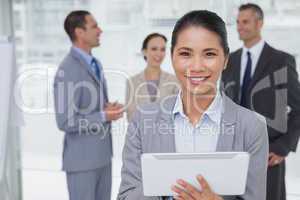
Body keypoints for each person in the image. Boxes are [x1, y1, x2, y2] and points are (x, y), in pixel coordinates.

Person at [118, 10, 268, 200]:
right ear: (172, 57)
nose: (196, 67)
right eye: (185, 54)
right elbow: (125, 196)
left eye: (209, 54)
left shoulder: (252, 126)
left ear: (226, 60)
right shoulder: (142, 119)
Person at [222, 3, 300, 200]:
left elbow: (298, 108)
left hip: (268, 154)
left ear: (260, 23)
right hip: (233, 153)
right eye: (238, 22)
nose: (240, 26)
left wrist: (283, 146)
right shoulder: (229, 61)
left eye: (245, 21)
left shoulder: (280, 60)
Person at [53, 10, 124, 200]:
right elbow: (65, 121)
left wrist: (107, 108)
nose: (100, 30)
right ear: (79, 32)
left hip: (103, 158)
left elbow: (93, 106)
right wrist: (103, 116)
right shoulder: (67, 69)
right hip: (82, 163)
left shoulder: (96, 64)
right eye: (94, 26)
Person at [125, 33, 179, 121]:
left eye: (162, 49)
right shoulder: (132, 82)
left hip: (166, 132)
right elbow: (131, 116)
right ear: (144, 52)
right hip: (140, 133)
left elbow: (177, 113)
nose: (159, 53)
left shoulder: (174, 81)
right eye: (154, 49)